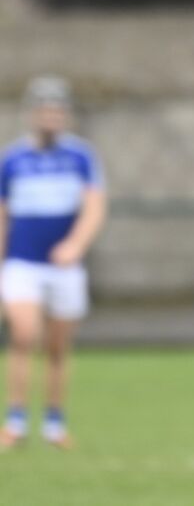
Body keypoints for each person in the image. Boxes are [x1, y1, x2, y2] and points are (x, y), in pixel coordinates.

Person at [0, 76, 107, 450]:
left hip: (63, 268)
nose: (51, 116)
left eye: (57, 110)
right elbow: (2, 214)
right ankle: (14, 421)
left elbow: (94, 206)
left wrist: (75, 245)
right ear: (32, 115)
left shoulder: (81, 156)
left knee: (58, 347)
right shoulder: (13, 159)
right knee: (24, 334)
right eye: (44, 110)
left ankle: (54, 423)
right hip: (22, 262)